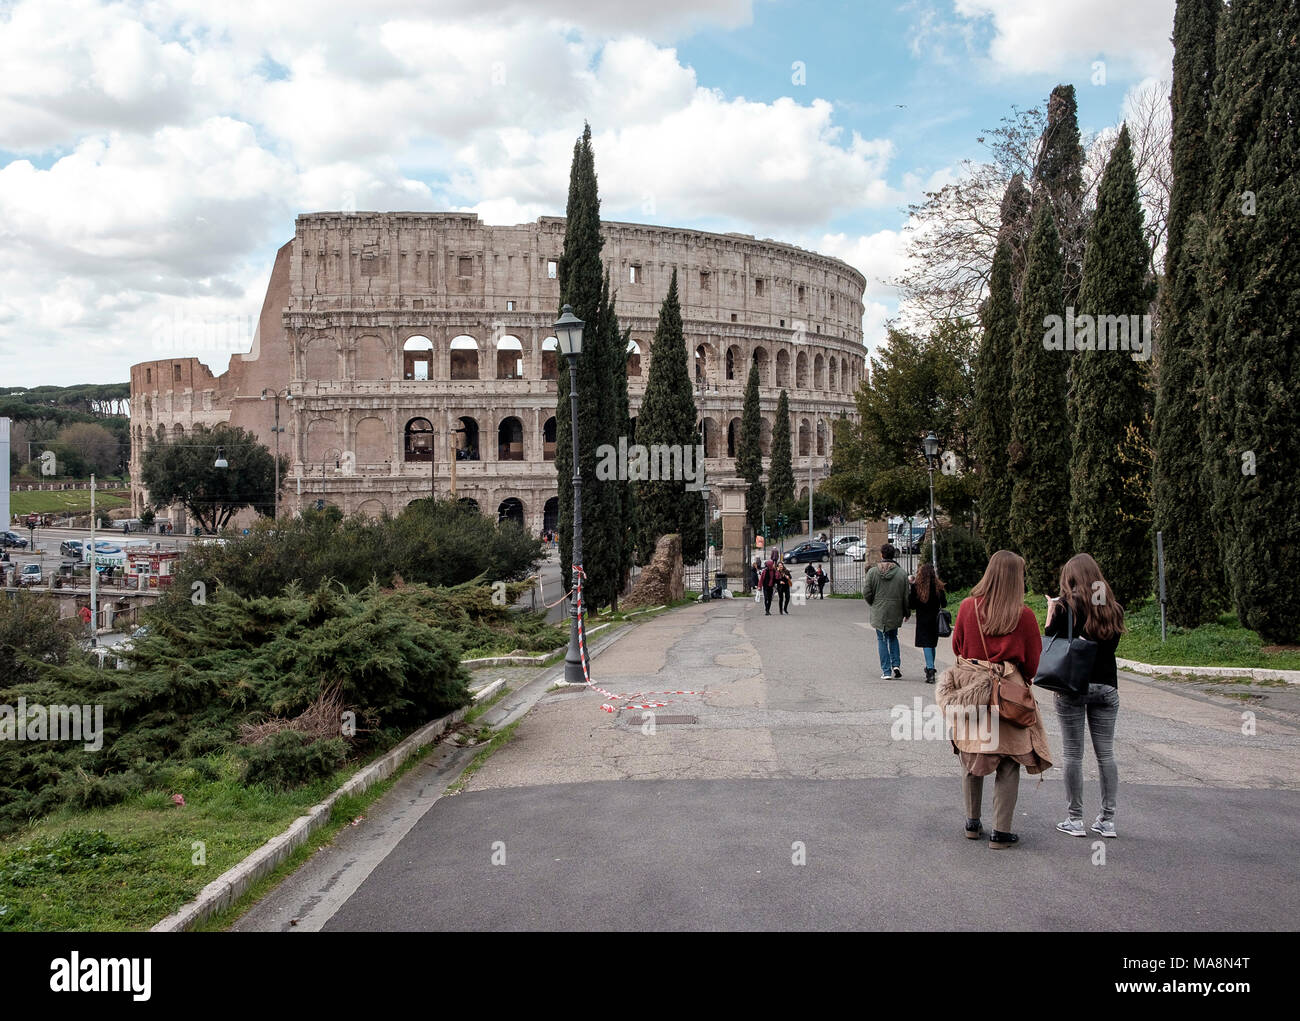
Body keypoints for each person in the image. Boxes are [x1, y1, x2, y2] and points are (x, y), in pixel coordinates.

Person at [936, 550, 1051, 849]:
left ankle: (972, 823)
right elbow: (1034, 664)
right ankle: (1001, 832)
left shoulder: (967, 607)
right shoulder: (1024, 615)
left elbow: (958, 648)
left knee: (971, 755)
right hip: (1008, 696)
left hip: (972, 691)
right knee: (1009, 762)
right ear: (1016, 579)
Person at [1047, 553, 1124, 839]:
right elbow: (1110, 647)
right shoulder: (1113, 608)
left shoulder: (1065, 607)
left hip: (1072, 687)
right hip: (1106, 687)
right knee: (1106, 754)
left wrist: (1050, 610)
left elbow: (1051, 642)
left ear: (1072, 578)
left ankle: (1075, 820)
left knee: (1072, 754)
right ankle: (1107, 820)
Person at [864, 543, 910, 679]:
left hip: (879, 610)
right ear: (893, 554)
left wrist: (873, 602)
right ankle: (896, 664)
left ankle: (886, 671)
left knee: (881, 639)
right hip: (895, 610)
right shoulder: (901, 573)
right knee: (893, 637)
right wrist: (906, 612)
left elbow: (866, 592)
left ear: (882, 555)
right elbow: (906, 595)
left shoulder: (873, 572)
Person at [908, 562, 948, 684]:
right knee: (932, 644)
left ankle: (930, 669)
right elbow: (944, 604)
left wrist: (911, 588)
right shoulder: (938, 587)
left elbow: (912, 605)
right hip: (935, 619)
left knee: (926, 644)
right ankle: (930, 666)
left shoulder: (917, 587)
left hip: (922, 619)